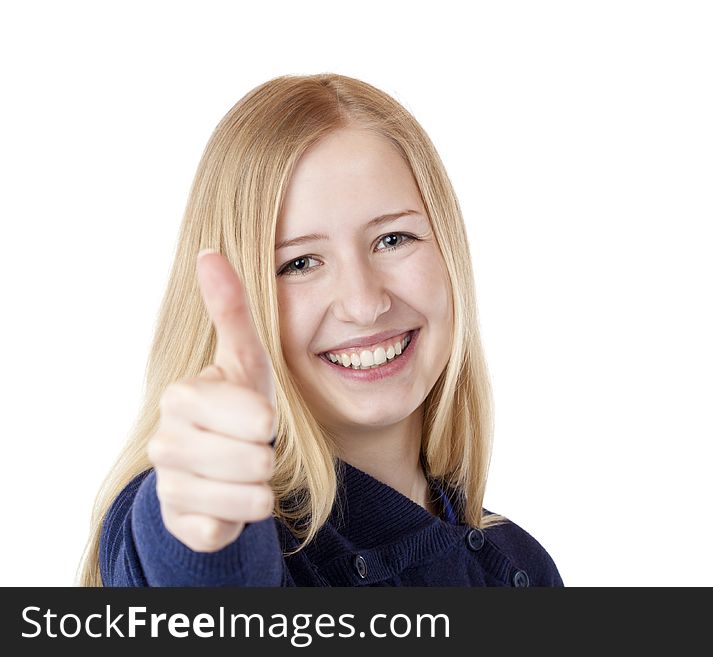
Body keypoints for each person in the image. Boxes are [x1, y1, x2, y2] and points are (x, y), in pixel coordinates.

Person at [78, 73, 563, 587]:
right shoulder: (214, 520)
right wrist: (200, 533)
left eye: (393, 238)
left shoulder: (522, 564)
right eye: (301, 262)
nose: (364, 303)